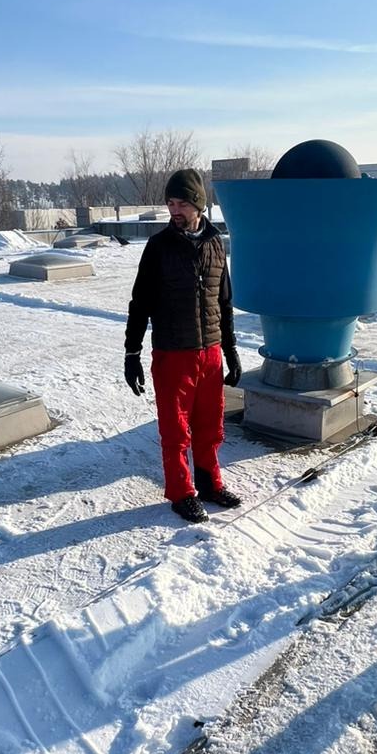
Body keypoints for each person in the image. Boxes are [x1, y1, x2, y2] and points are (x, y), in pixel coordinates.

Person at [124, 168, 243, 523]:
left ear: (199, 206)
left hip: (209, 353)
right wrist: (132, 353)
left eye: (182, 203)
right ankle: (181, 492)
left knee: (210, 426)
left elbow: (224, 302)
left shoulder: (215, 243)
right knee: (175, 430)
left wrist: (230, 350)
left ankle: (210, 484)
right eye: (170, 203)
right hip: (173, 353)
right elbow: (139, 303)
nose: (175, 210)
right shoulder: (158, 247)